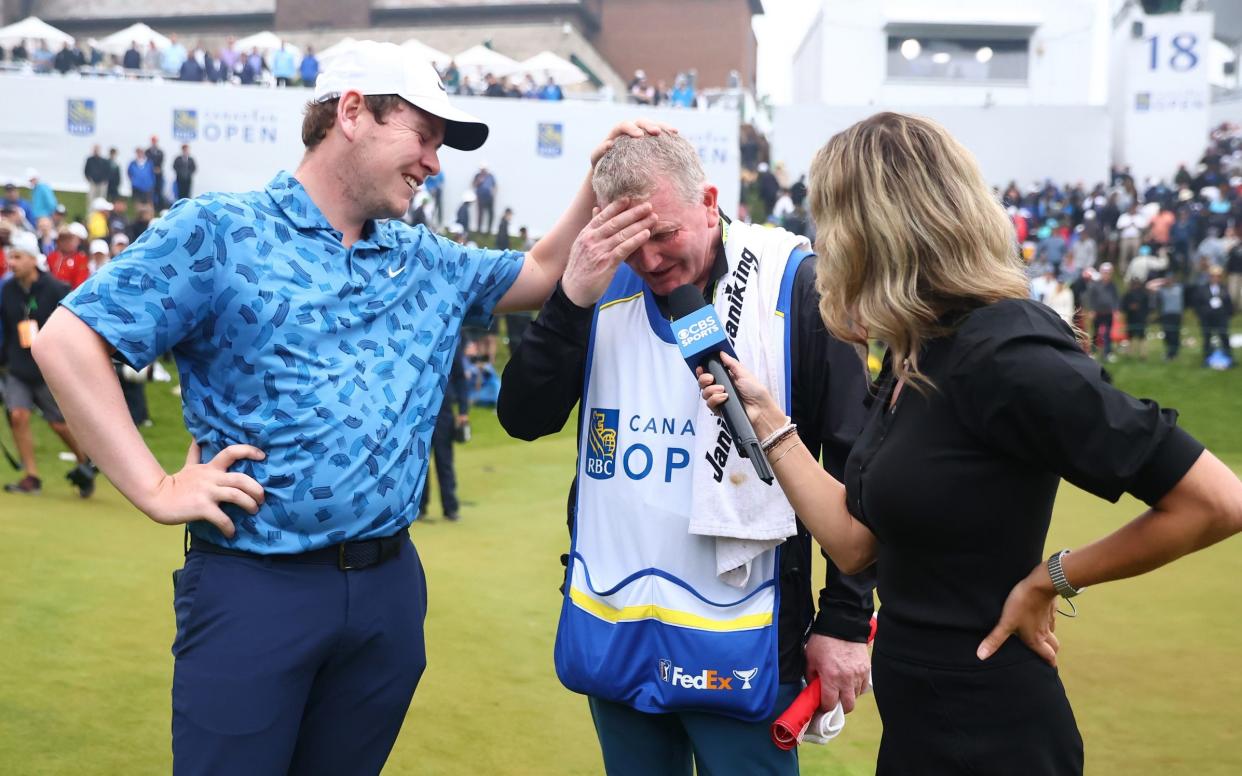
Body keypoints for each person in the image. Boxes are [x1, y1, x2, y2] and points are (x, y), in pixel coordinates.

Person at [32, 39, 664, 776]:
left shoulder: (421, 257)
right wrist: (155, 487)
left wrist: (597, 180)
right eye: (423, 136)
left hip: (388, 595)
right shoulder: (219, 230)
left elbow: (543, 272)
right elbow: (66, 341)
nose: (434, 161)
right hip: (254, 586)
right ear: (354, 113)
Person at [696, 112, 1242, 775]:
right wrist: (769, 423)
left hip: (995, 735)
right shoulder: (917, 353)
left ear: (873, 231)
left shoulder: (1007, 350)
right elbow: (855, 542)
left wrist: (1053, 578)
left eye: (831, 221)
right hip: (918, 727)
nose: (824, 244)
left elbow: (1216, 501)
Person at [497, 132, 875, 775]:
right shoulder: (597, 284)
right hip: (614, 624)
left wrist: (844, 619)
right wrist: (570, 300)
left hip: (746, 634)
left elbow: (856, 463)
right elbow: (523, 419)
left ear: (708, 201)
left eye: (663, 233)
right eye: (627, 239)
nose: (647, 257)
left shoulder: (796, 281)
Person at [0, 231, 96, 497]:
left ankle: (83, 461)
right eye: (10, 257)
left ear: (33, 260)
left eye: (17, 257)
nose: (12, 262)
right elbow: (4, 329)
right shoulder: (6, 290)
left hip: (49, 369)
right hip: (17, 368)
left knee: (59, 424)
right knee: (18, 416)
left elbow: (72, 329)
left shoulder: (56, 289)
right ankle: (32, 476)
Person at [418, 343, 469, 522]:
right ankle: (420, 508)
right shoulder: (421, 346)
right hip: (420, 413)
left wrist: (463, 411)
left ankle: (450, 508)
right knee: (420, 463)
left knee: (444, 461)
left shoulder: (451, 346)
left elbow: (461, 379)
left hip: (444, 411)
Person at [1194, 265, 1233, 365]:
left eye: (1218, 276)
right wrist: (1203, 312)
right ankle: (1207, 358)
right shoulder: (1203, 288)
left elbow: (1229, 304)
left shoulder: (1224, 288)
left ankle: (1229, 357)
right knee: (1207, 338)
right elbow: (1197, 303)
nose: (1215, 278)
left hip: (1221, 317)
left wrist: (1226, 314)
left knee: (1224, 336)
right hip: (1207, 317)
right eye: (1213, 276)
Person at [1085, 262, 1119, 359]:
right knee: (1095, 333)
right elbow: (1091, 298)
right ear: (1101, 272)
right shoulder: (1095, 285)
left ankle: (1107, 353)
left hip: (1108, 313)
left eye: (1108, 273)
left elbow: (1116, 298)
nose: (1106, 274)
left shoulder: (1113, 285)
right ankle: (1093, 352)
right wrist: (1092, 310)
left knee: (1108, 334)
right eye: (1104, 272)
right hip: (1097, 313)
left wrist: (1116, 310)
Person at [46, 223, 90, 290]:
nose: (66, 242)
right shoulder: (52, 256)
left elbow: (80, 283)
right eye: (63, 239)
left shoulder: (81, 258)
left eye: (70, 239)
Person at [1120, 277, 1150, 358]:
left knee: (1142, 337)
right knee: (1129, 337)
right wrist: (1130, 307)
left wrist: (1144, 315)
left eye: (1137, 283)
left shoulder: (1144, 295)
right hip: (1131, 319)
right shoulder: (1127, 295)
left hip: (1141, 319)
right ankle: (1129, 354)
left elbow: (1147, 307)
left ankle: (1143, 354)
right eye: (1134, 283)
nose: (1135, 285)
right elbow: (1122, 307)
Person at [473, 163, 497, 234]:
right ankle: (479, 230)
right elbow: (474, 184)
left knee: (490, 213)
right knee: (480, 214)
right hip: (480, 197)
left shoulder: (490, 176)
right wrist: (479, 181)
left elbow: (495, 186)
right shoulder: (477, 176)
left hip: (489, 197)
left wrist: (493, 194)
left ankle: (489, 230)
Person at [147, 136, 166, 209]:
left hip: (158, 173)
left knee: (159, 190)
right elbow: (147, 161)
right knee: (150, 190)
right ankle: (151, 206)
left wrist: (158, 168)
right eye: (153, 141)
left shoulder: (160, 152)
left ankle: (160, 207)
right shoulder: (148, 151)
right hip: (150, 174)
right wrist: (152, 169)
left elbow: (161, 161)